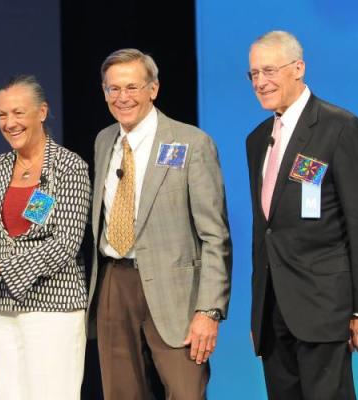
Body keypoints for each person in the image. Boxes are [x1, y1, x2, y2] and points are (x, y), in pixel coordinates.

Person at [245, 31, 358, 399]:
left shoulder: (340, 128)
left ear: (298, 69)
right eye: (254, 74)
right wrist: (258, 310)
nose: (261, 82)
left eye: (270, 70)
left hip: (325, 307)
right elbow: (266, 230)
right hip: (274, 311)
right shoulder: (257, 139)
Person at [88, 48, 232, 400]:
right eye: (113, 89)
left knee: (185, 392)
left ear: (153, 89)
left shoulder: (191, 143)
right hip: (114, 282)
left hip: (176, 292)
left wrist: (209, 310)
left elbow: (215, 236)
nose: (123, 98)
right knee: (121, 393)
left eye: (132, 87)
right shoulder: (104, 140)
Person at [0, 75, 91, 400]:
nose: (10, 123)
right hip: (1, 305)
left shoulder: (69, 167)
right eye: (2, 115)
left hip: (53, 305)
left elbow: (65, 244)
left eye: (18, 113)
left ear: (42, 112)